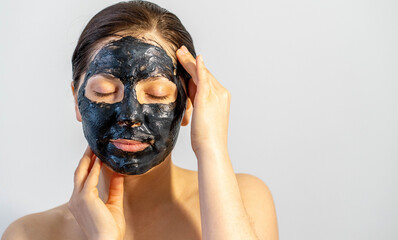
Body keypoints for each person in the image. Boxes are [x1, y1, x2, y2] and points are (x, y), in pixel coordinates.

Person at [1, 1, 278, 239]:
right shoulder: (30, 234)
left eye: (156, 94)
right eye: (105, 92)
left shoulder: (245, 200)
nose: (130, 116)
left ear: (188, 101)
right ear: (77, 100)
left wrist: (210, 147)